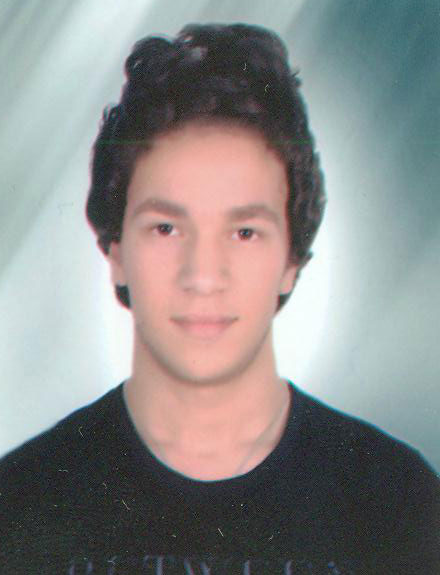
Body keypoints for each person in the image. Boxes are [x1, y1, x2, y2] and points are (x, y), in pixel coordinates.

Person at [0, 23, 438, 575]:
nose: (203, 276)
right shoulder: (21, 505)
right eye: (166, 228)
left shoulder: (398, 506)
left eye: (244, 232)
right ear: (115, 250)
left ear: (291, 259)